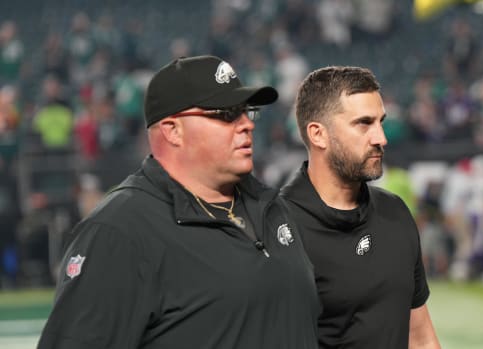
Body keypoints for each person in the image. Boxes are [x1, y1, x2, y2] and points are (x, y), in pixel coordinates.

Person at [38, 55, 320, 349]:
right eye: (226, 114)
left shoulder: (271, 206)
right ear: (173, 130)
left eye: (247, 111)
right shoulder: (119, 231)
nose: (247, 124)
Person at [281, 66, 441, 348]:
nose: (381, 138)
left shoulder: (396, 213)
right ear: (318, 135)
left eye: (381, 122)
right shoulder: (277, 227)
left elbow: (420, 338)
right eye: (364, 124)